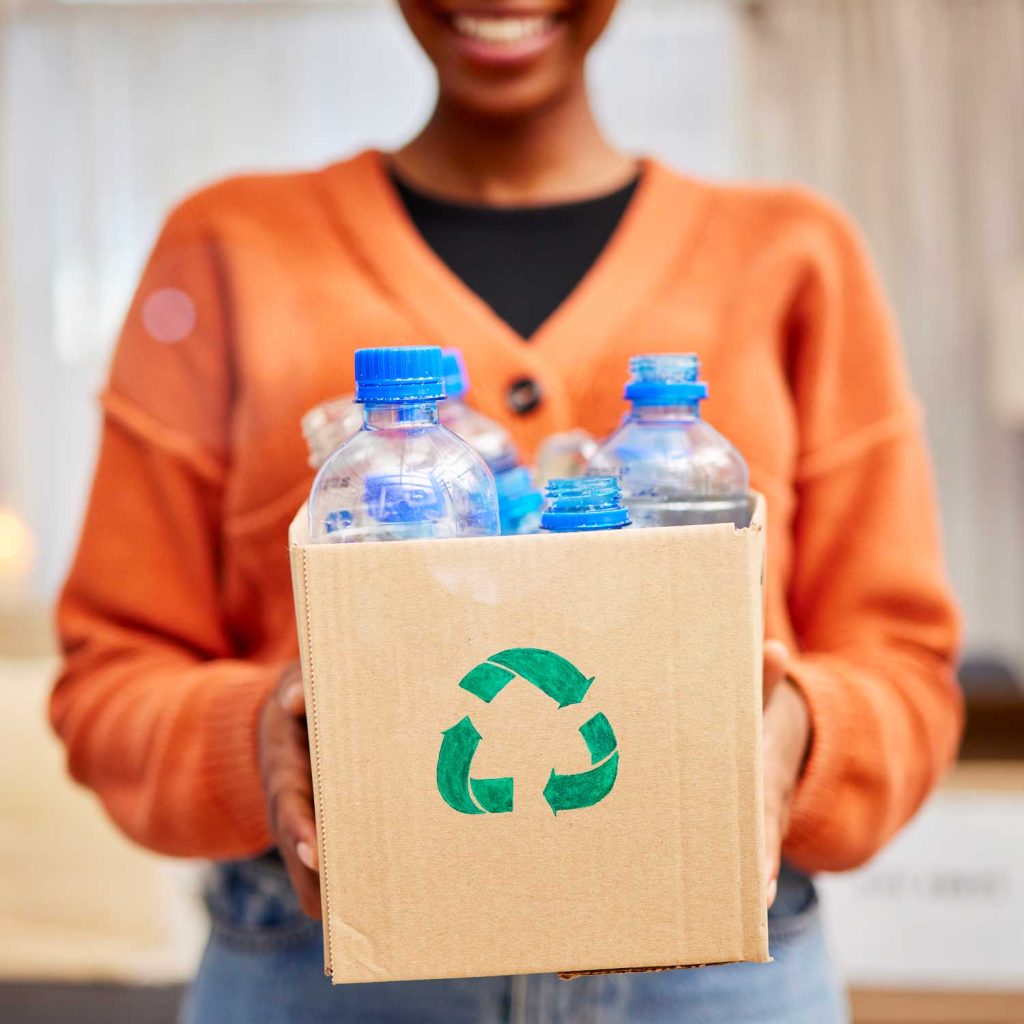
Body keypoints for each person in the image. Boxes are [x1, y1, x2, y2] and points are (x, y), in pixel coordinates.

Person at [51, 2, 961, 1022]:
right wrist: (257, 738)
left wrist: (795, 735)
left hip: (715, 959)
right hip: (324, 953)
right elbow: (108, 685)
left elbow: (909, 675)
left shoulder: (797, 258)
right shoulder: (229, 250)